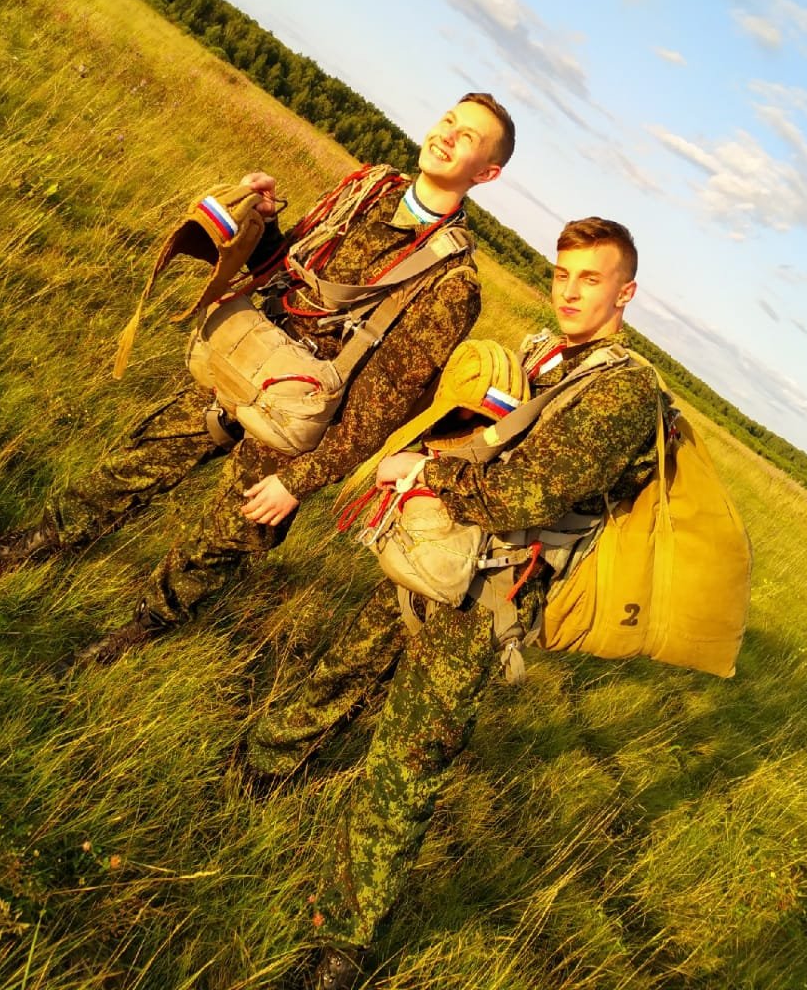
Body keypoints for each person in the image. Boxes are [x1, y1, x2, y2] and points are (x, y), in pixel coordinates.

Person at [246, 217, 662, 990]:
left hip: (489, 593)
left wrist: (422, 473)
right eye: (562, 274)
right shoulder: (546, 357)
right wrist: (436, 454)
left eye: (591, 279)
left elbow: (531, 493)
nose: (571, 291)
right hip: (436, 553)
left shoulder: (623, 390)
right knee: (348, 664)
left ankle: (342, 944)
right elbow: (480, 431)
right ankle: (262, 767)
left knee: (409, 757)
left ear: (625, 292)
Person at [0, 93, 515, 664]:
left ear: (486, 174)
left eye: (467, 137)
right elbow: (282, 265)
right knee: (138, 459)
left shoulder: (452, 282)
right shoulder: (368, 187)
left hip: (297, 424)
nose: (447, 135)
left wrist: (299, 482)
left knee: (220, 541)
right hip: (245, 358)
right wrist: (261, 219)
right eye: (449, 120)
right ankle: (35, 546)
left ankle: (131, 638)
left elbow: (378, 407)